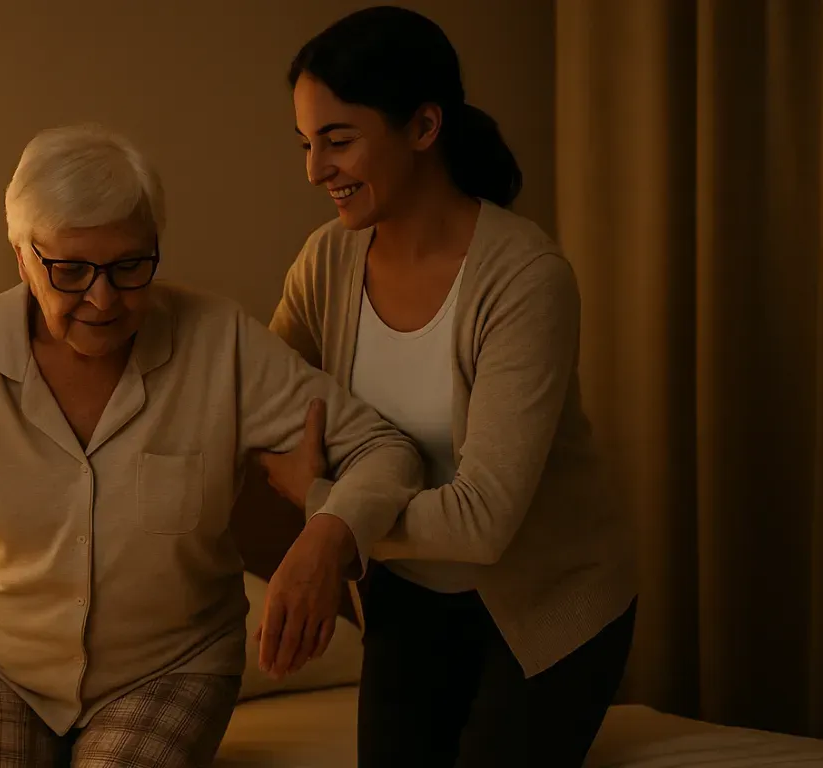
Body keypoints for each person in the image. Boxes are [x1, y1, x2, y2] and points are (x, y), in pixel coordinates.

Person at [0, 123, 424, 768]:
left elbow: (386, 449)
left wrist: (326, 535)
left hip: (171, 670)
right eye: (70, 271)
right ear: (21, 256)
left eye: (129, 267)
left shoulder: (222, 346)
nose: (103, 299)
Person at [254, 6, 639, 767]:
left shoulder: (524, 280)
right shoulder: (325, 264)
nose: (314, 170)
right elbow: (259, 406)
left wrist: (328, 516)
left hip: (544, 606)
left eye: (338, 139)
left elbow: (482, 521)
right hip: (407, 604)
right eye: (307, 143)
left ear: (424, 127)